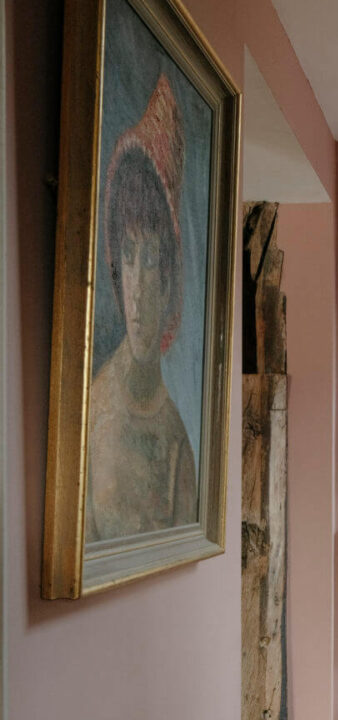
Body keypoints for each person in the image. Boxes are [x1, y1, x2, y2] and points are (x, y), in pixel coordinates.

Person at [86, 75, 197, 540]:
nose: (137, 290)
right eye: (128, 257)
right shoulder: (91, 411)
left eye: (151, 259)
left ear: (169, 278)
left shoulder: (177, 444)